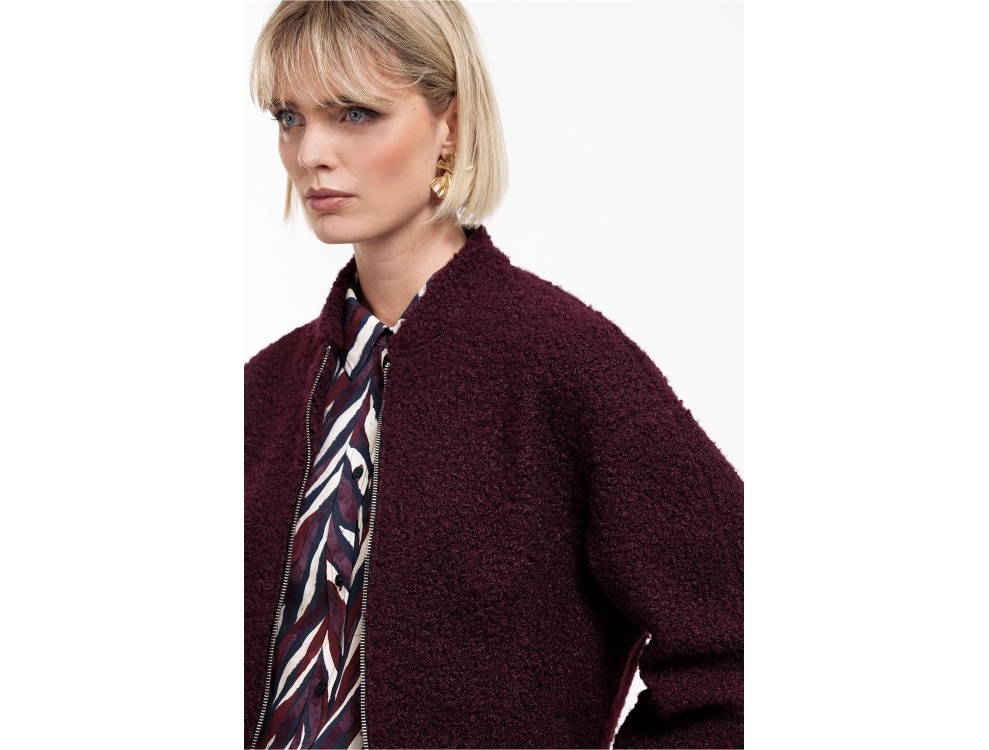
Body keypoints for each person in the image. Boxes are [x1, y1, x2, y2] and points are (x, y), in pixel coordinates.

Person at [244, 2, 743, 748]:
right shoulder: (263, 390)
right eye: (289, 117)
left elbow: (743, 648)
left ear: (449, 124)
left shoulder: (564, 365)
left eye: (354, 114)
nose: (310, 151)